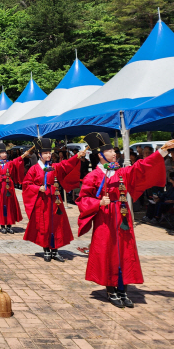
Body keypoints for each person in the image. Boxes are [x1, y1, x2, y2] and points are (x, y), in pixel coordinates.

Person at [77, 132, 174, 308]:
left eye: (115, 151)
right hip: (105, 218)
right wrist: (98, 202)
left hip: (122, 215)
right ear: (100, 155)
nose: (115, 153)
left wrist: (161, 152)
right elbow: (83, 199)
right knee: (108, 250)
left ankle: (123, 289)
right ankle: (110, 289)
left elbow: (141, 167)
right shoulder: (93, 176)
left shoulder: (121, 171)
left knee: (125, 251)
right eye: (110, 151)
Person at [22, 138, 86, 262]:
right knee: (44, 224)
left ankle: (55, 250)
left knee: (57, 224)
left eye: (49, 153)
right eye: (45, 153)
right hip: (42, 200)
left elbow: (66, 165)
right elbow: (26, 184)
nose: (48, 155)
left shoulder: (54, 166)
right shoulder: (34, 169)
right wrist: (37, 188)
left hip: (55, 198)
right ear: (40, 155)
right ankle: (46, 249)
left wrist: (77, 156)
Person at [0, 143, 31, 234]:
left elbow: (16, 161)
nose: (5, 154)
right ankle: (2, 225)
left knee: (10, 205)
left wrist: (23, 156)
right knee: (1, 205)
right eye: (2, 153)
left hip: (9, 187)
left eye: (5, 153)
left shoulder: (9, 163)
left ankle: (9, 225)